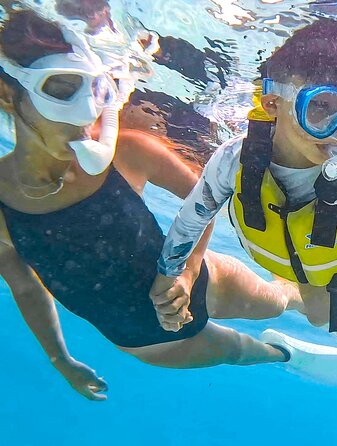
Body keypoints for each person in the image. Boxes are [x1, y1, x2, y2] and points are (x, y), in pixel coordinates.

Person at [152, 18, 337, 439]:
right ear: (273, 103)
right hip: (305, 264)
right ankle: (333, 305)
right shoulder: (233, 160)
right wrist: (174, 273)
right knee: (316, 318)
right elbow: (192, 218)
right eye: (321, 109)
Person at [0, 11, 308, 401]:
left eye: (95, 91)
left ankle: (336, 299)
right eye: (61, 90)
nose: (85, 113)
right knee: (239, 351)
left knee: (277, 302)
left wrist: (188, 270)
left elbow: (208, 195)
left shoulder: (128, 151)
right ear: (8, 93)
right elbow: (25, 287)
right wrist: (61, 360)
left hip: (207, 284)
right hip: (149, 344)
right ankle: (288, 354)